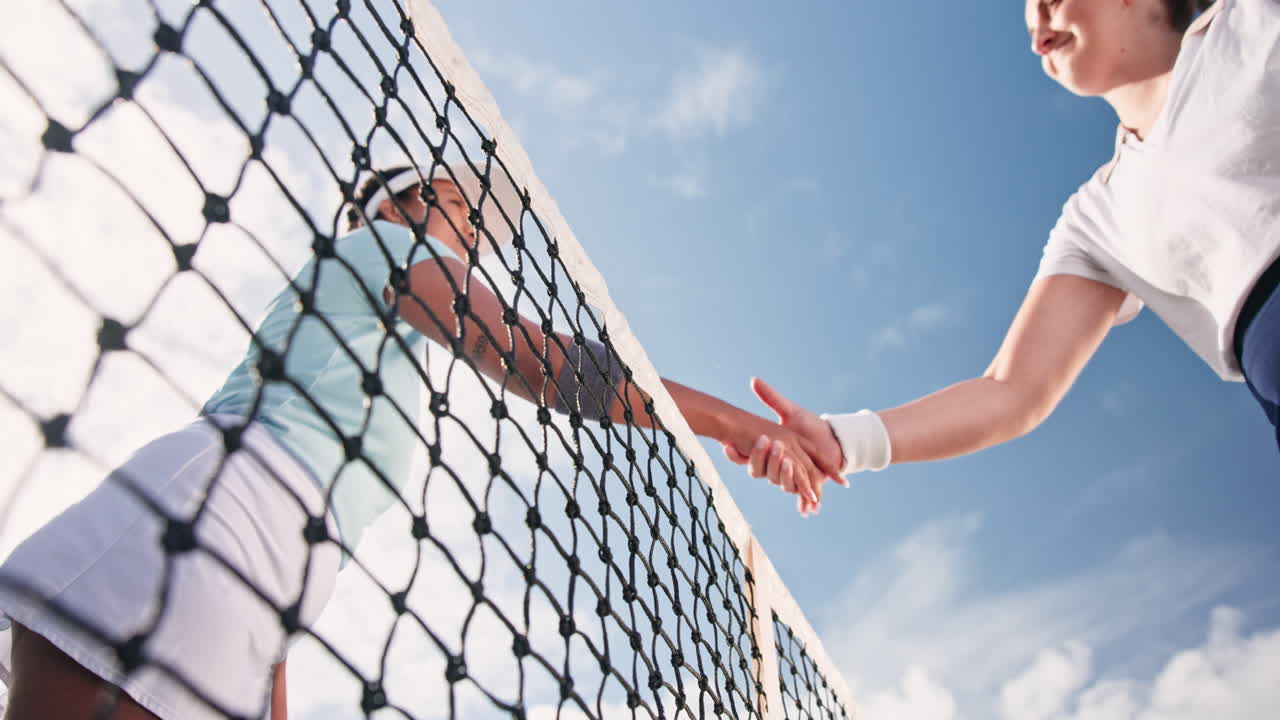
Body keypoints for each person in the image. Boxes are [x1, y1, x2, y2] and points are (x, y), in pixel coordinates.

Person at [0, 163, 833, 720]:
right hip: (206, 519)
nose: (472, 230)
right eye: (458, 205)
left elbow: (287, 575)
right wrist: (737, 421)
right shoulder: (387, 245)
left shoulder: (376, 352)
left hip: (255, 574)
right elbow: (528, 356)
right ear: (397, 206)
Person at [729, 0, 1279, 510]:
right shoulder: (1097, 216)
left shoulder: (1251, 23)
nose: (1037, 17)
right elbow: (1009, 391)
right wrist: (841, 440)